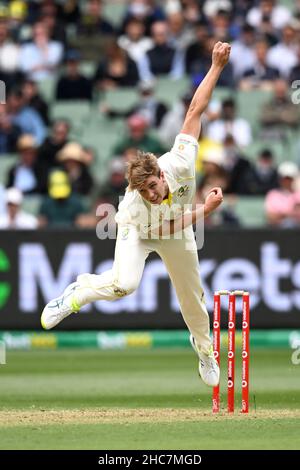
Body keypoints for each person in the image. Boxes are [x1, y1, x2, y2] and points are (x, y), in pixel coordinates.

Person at [41, 41, 231, 389]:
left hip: (177, 229)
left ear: (160, 173)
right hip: (141, 229)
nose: (151, 193)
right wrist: (205, 209)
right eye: (144, 190)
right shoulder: (134, 204)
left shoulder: (180, 160)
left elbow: (194, 111)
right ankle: (77, 293)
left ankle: (205, 351)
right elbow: (169, 223)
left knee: (192, 296)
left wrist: (216, 66)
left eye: (153, 187)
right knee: (123, 285)